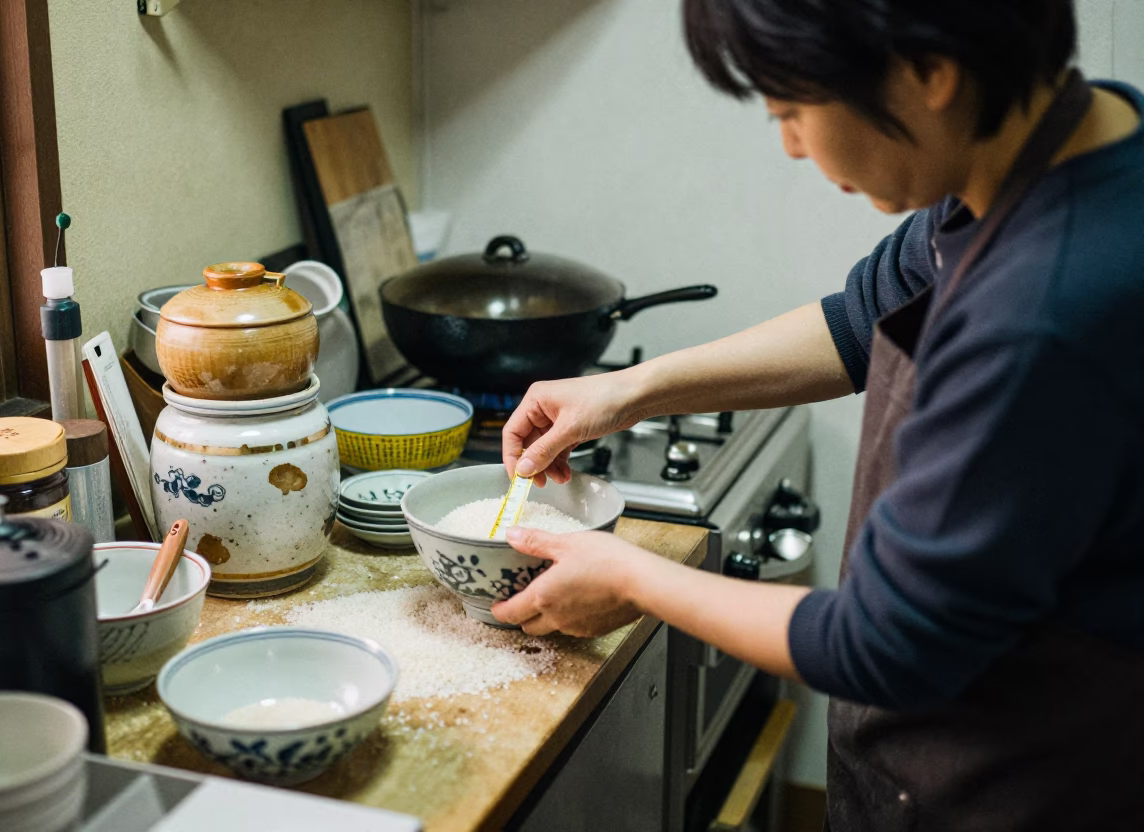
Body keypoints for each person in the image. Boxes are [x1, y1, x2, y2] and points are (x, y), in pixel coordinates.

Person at [490, 1, 1144, 828]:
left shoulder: (1046, 308)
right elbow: (860, 319)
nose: (793, 146)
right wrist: (626, 391)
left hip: (1015, 786)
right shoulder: (1051, 145)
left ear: (928, 74)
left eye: (792, 111)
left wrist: (633, 576)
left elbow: (887, 644)